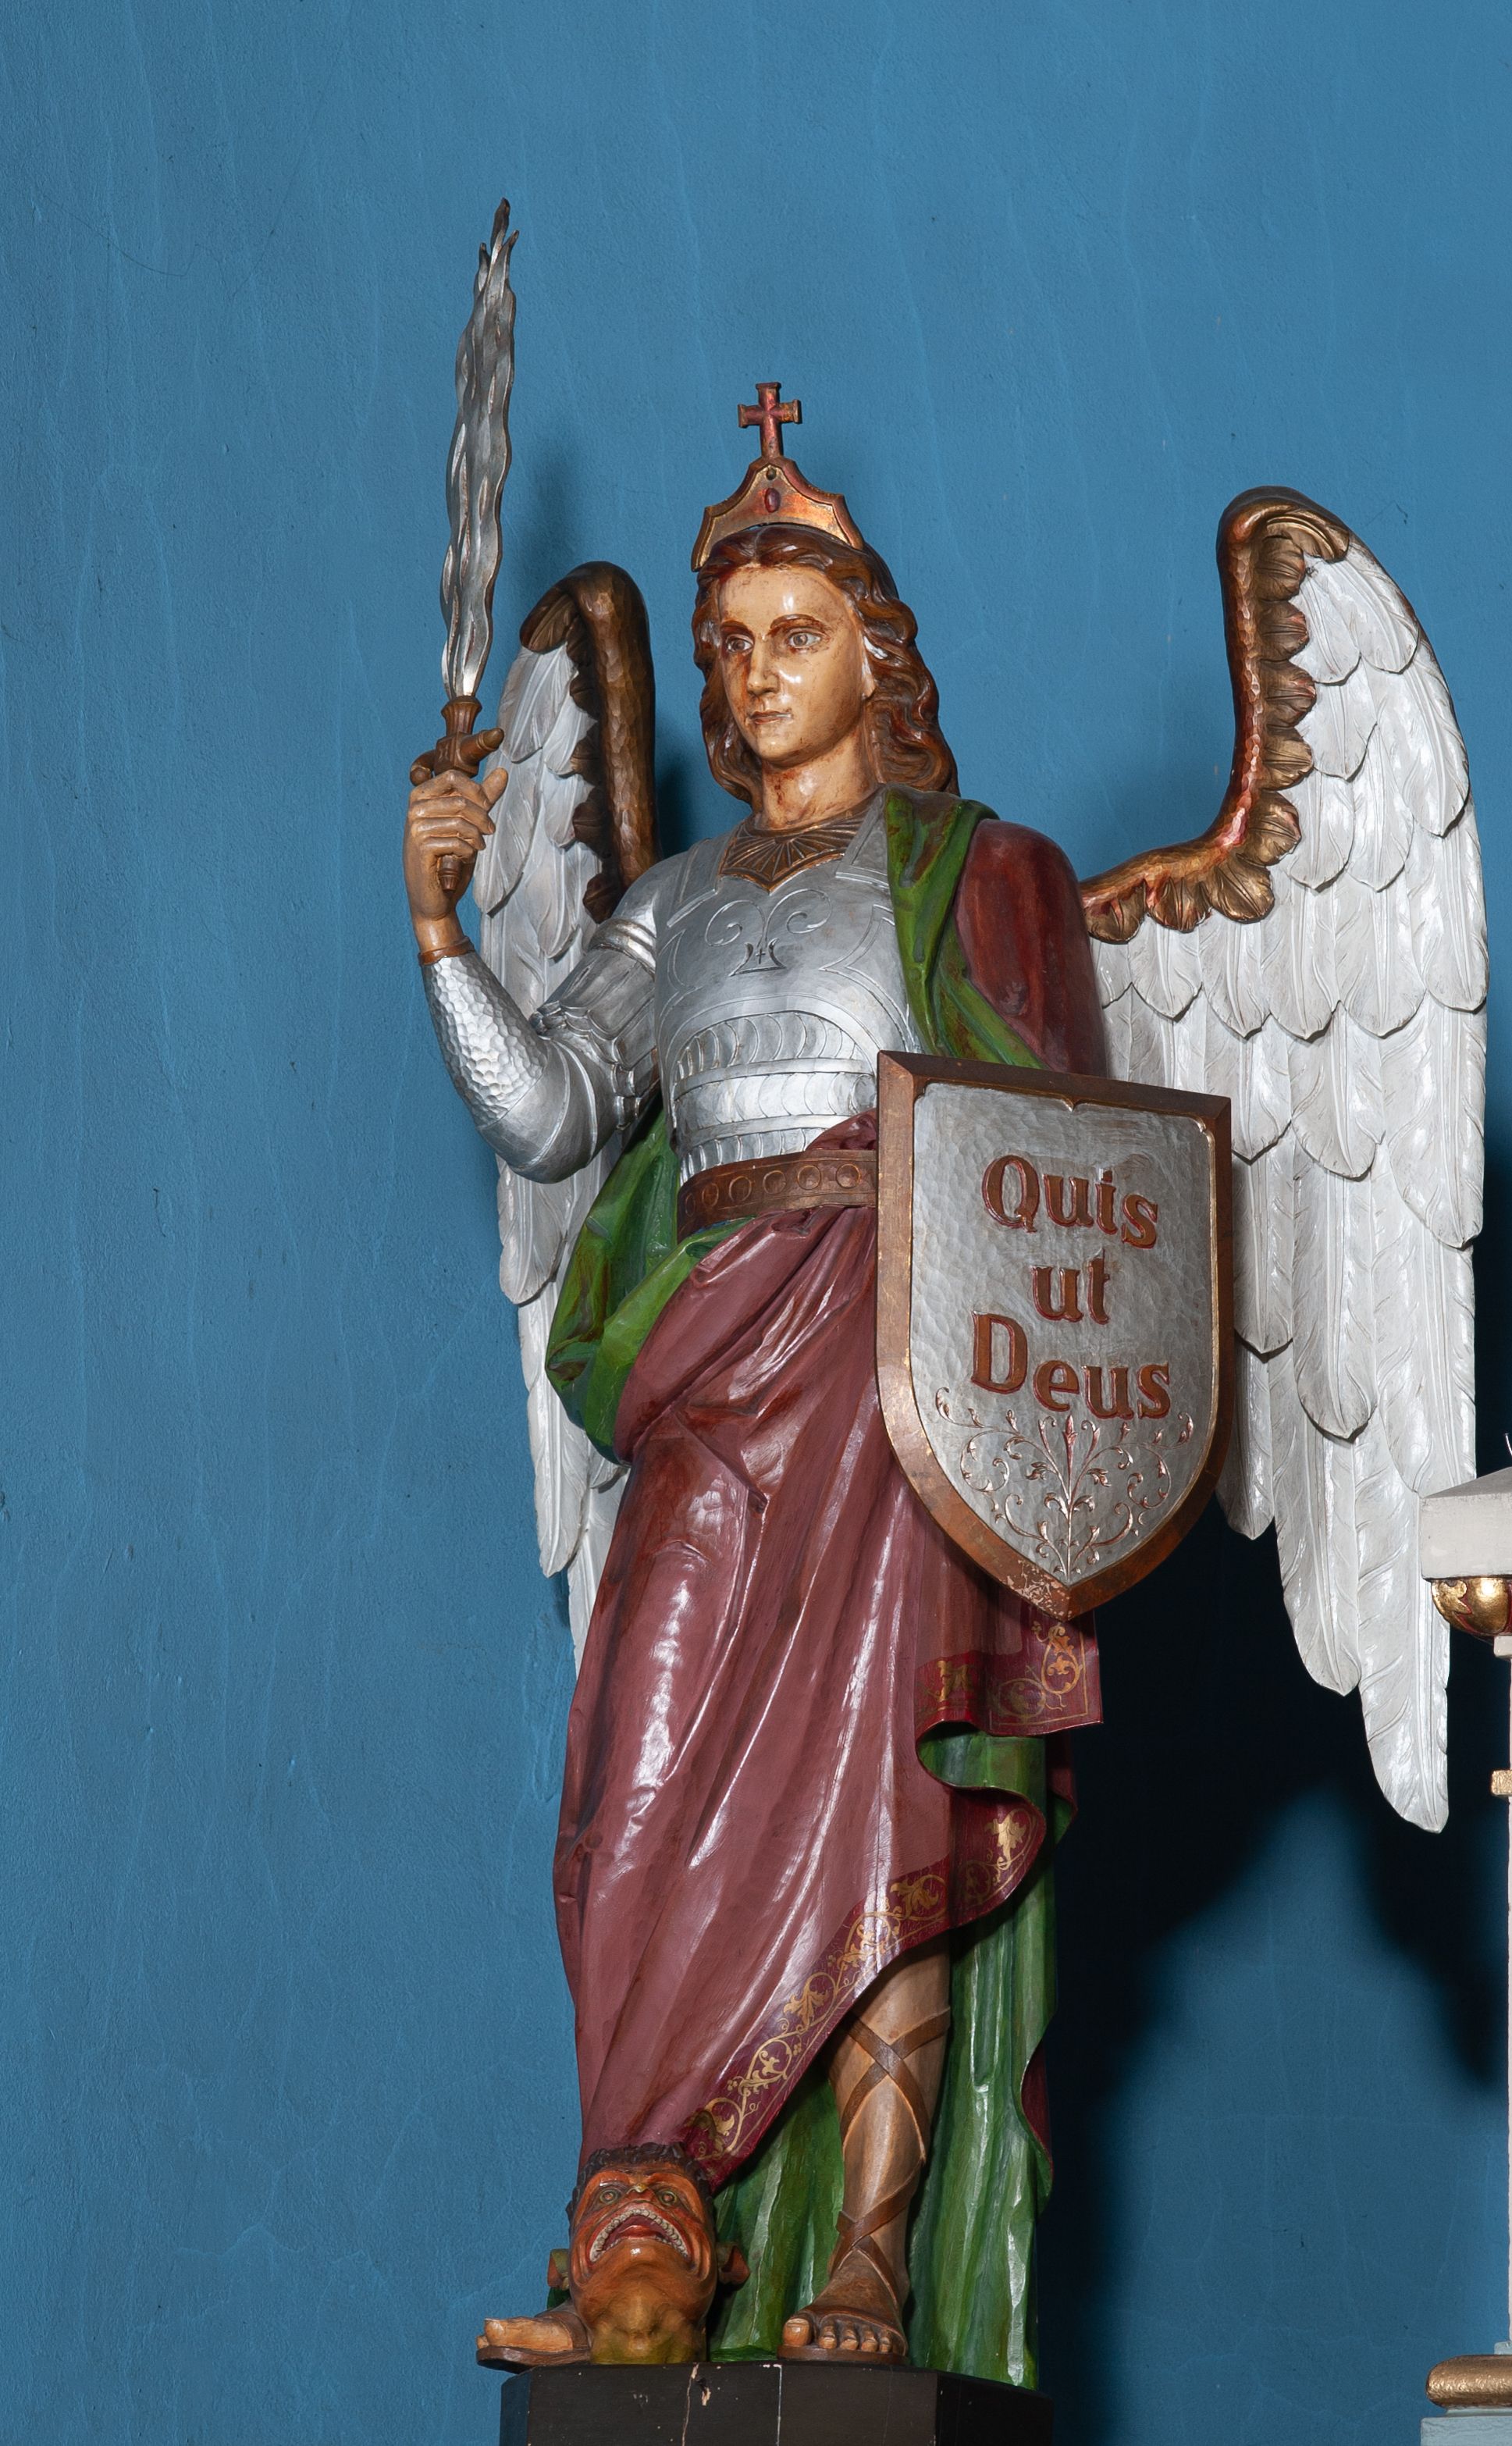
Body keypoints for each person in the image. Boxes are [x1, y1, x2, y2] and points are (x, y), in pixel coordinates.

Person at [404, 424, 1105, 2379]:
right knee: (626, 1784)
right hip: (709, 1371)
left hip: (897, 1373)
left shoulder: (981, 877)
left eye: (797, 634)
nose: (755, 671)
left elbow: (1073, 1184)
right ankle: (639, 2230)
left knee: (892, 1786)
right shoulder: (679, 903)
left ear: (875, 655)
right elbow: (554, 1110)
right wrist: (442, 931)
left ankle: (869, 2253)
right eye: (730, 644)